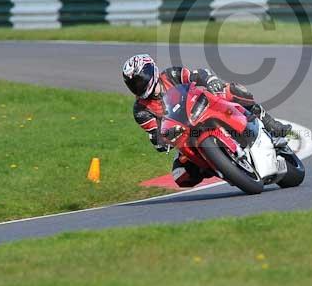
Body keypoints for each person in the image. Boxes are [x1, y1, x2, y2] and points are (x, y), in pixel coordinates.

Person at [122, 53, 292, 187]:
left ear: (152, 71)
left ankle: (269, 124)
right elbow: (156, 135)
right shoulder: (141, 110)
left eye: (140, 80)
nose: (138, 86)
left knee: (232, 90)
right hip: (184, 136)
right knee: (180, 176)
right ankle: (214, 165)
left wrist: (211, 81)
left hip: (202, 108)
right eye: (133, 84)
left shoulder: (171, 74)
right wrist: (160, 140)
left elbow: (198, 75)